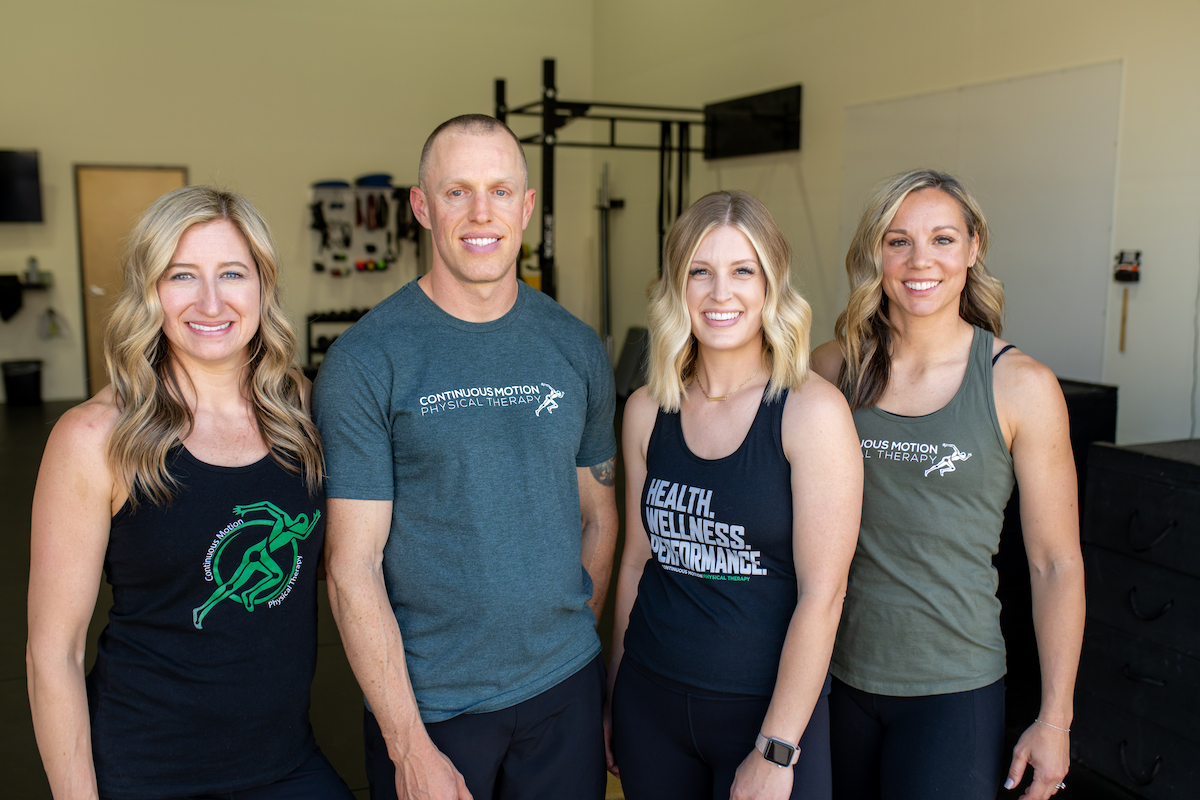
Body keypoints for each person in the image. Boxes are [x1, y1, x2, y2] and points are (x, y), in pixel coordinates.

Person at [313, 114, 618, 800]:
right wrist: (407, 744)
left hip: (563, 694)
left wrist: (567, 639)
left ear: (527, 205)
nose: (482, 214)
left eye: (501, 191)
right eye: (457, 192)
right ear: (422, 206)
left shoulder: (575, 347)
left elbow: (599, 515)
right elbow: (350, 567)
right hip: (435, 709)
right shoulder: (367, 361)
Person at [27, 186, 352, 799]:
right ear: (150, 290)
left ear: (263, 286)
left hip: (284, 763)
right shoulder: (95, 439)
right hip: (148, 769)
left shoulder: (308, 412)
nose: (210, 301)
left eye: (232, 273)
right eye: (182, 275)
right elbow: (54, 654)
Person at [810, 169, 1086, 800]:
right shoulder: (832, 370)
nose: (919, 260)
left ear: (973, 247)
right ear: (874, 253)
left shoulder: (1021, 386)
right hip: (832, 679)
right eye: (898, 240)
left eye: (942, 239)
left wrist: (1055, 718)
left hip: (952, 688)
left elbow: (1055, 564)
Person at [607, 190, 863, 800]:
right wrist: (613, 695)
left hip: (765, 718)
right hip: (650, 706)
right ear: (678, 286)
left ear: (772, 285)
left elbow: (823, 596)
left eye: (742, 271)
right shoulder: (648, 408)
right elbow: (637, 562)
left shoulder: (811, 413)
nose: (721, 294)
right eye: (701, 271)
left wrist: (777, 750)